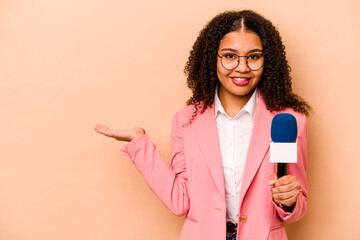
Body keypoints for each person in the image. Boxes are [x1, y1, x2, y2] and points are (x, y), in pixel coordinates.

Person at [95, 10, 311, 240]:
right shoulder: (186, 121)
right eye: (230, 56)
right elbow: (179, 201)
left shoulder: (288, 121)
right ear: (212, 59)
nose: (242, 67)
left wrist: (289, 200)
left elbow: (297, 207)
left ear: (267, 61)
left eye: (254, 57)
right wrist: (140, 144)